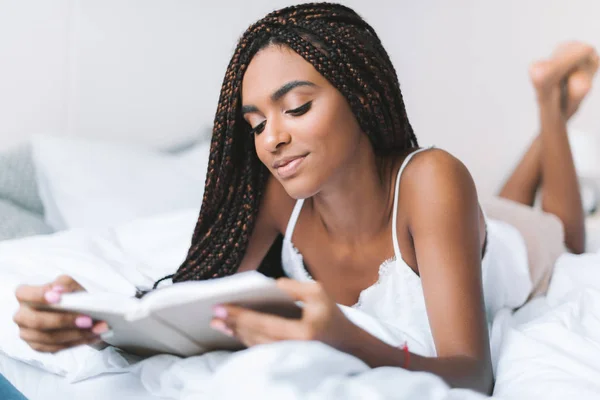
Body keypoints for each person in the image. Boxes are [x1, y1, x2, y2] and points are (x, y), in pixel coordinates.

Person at [12, 3, 598, 395]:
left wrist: (348, 340)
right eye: (256, 123)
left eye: (295, 108)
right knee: (500, 202)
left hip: (513, 250)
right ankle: (548, 112)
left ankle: (550, 102)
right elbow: (191, 312)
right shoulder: (277, 197)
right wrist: (93, 320)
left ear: (361, 95)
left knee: (560, 231)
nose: (273, 139)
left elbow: (471, 375)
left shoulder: (435, 177)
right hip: (457, 228)